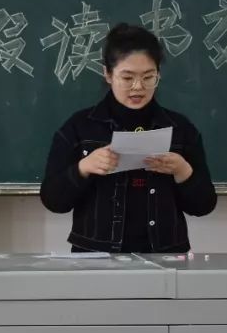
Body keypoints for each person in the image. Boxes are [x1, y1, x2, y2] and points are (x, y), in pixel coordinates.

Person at [39, 24, 217, 254]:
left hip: (165, 256)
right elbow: (53, 201)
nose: (138, 87)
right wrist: (83, 168)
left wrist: (183, 171)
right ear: (108, 74)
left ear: (158, 75)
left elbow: (204, 206)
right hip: (97, 258)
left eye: (148, 77)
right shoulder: (80, 127)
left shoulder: (180, 129)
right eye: (127, 77)